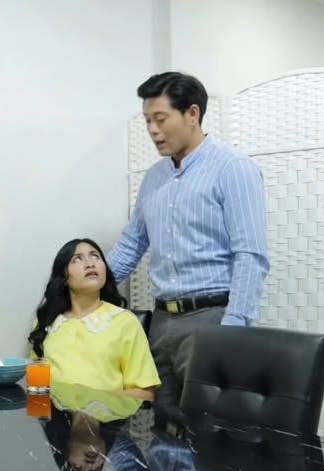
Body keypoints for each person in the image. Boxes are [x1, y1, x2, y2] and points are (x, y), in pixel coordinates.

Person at [107, 71, 268, 408]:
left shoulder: (233, 168)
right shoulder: (153, 178)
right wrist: (78, 292)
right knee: (160, 426)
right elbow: (130, 246)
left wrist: (233, 329)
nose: (153, 130)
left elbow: (250, 256)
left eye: (161, 118)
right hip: (161, 323)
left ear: (192, 114)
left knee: (208, 427)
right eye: (147, 120)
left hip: (211, 320)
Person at [28, 238, 160, 401]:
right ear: (63, 276)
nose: (90, 264)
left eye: (95, 256)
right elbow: (37, 392)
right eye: (77, 259)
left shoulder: (125, 322)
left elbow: (145, 393)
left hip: (108, 416)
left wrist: (96, 404)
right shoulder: (46, 323)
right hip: (54, 416)